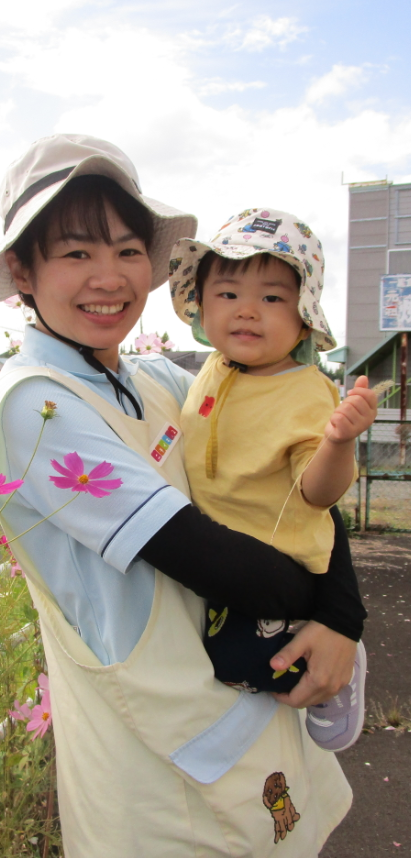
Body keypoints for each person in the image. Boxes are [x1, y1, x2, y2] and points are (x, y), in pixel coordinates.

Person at [0, 134, 366, 857]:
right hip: (160, 742)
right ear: (22, 270)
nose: (109, 277)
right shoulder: (37, 406)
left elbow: (293, 486)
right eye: (75, 253)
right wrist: (334, 609)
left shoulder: (159, 380)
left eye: (128, 250)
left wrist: (343, 617)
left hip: (247, 691)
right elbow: (213, 560)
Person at [168, 211, 377, 753]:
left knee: (246, 663)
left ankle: (341, 669)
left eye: (272, 297)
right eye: (228, 293)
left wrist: (338, 442)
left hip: (281, 564)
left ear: (303, 320)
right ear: (202, 306)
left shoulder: (305, 390)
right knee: (218, 658)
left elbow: (319, 492)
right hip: (226, 553)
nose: (247, 310)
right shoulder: (214, 368)